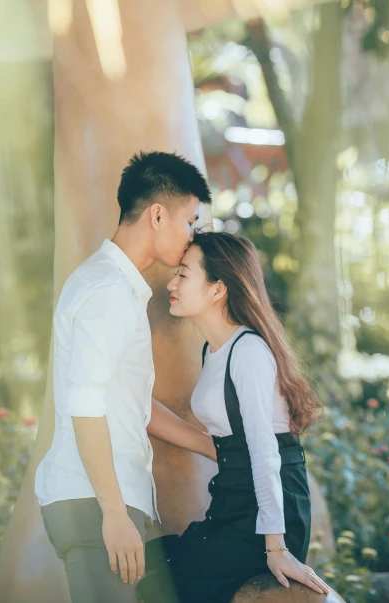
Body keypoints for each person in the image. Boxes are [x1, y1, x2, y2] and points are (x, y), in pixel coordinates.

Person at [35, 151, 216, 603]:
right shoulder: (109, 292)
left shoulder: (115, 289)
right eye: (190, 221)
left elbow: (129, 402)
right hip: (95, 505)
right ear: (157, 214)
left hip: (99, 502)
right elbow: (85, 403)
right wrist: (113, 514)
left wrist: (210, 447)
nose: (192, 235)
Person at [138, 231, 331, 603]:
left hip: (267, 517)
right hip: (232, 502)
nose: (172, 283)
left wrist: (276, 548)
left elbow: (264, 451)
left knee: (164, 583)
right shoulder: (214, 351)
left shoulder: (248, 351)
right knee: (151, 560)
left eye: (183, 274)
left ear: (216, 289)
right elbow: (223, 445)